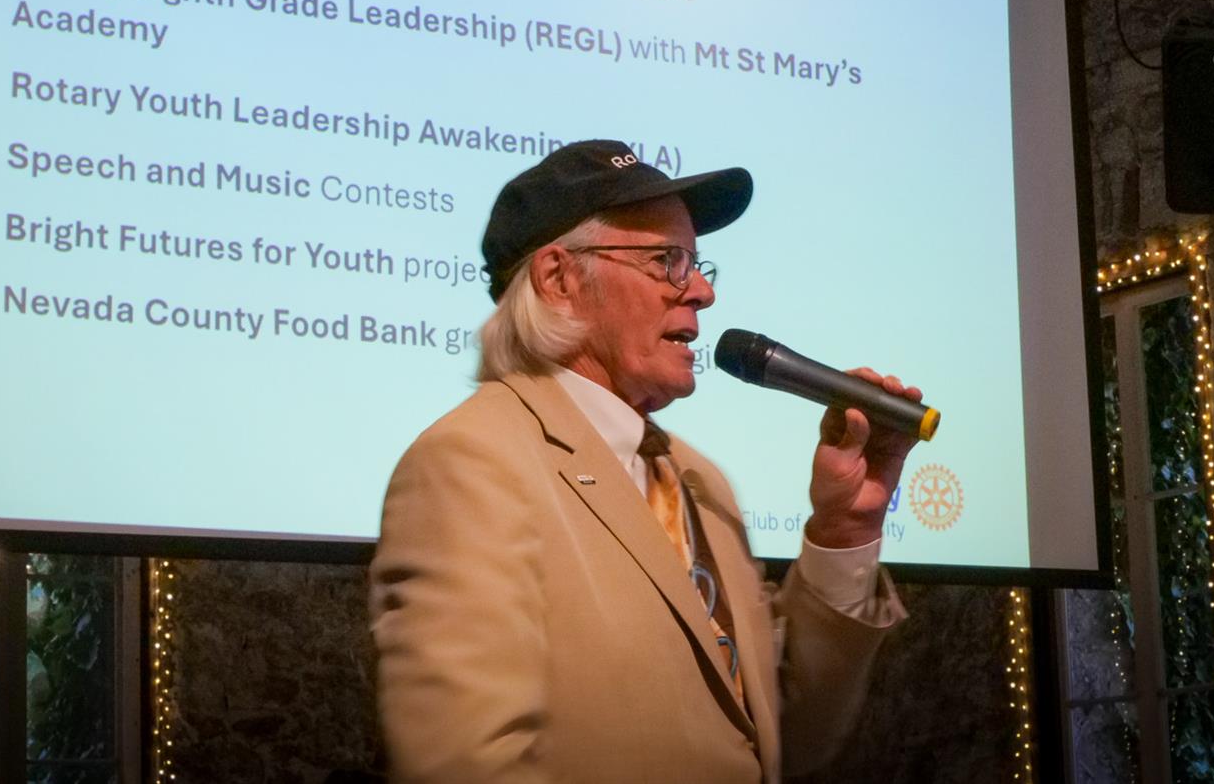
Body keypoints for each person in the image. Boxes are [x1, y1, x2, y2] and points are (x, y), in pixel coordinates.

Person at [369, 140, 922, 783]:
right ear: (559, 280)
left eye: (697, 263)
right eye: (668, 261)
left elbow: (778, 740)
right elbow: (464, 764)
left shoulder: (698, 478)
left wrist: (844, 530)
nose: (704, 292)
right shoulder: (470, 463)